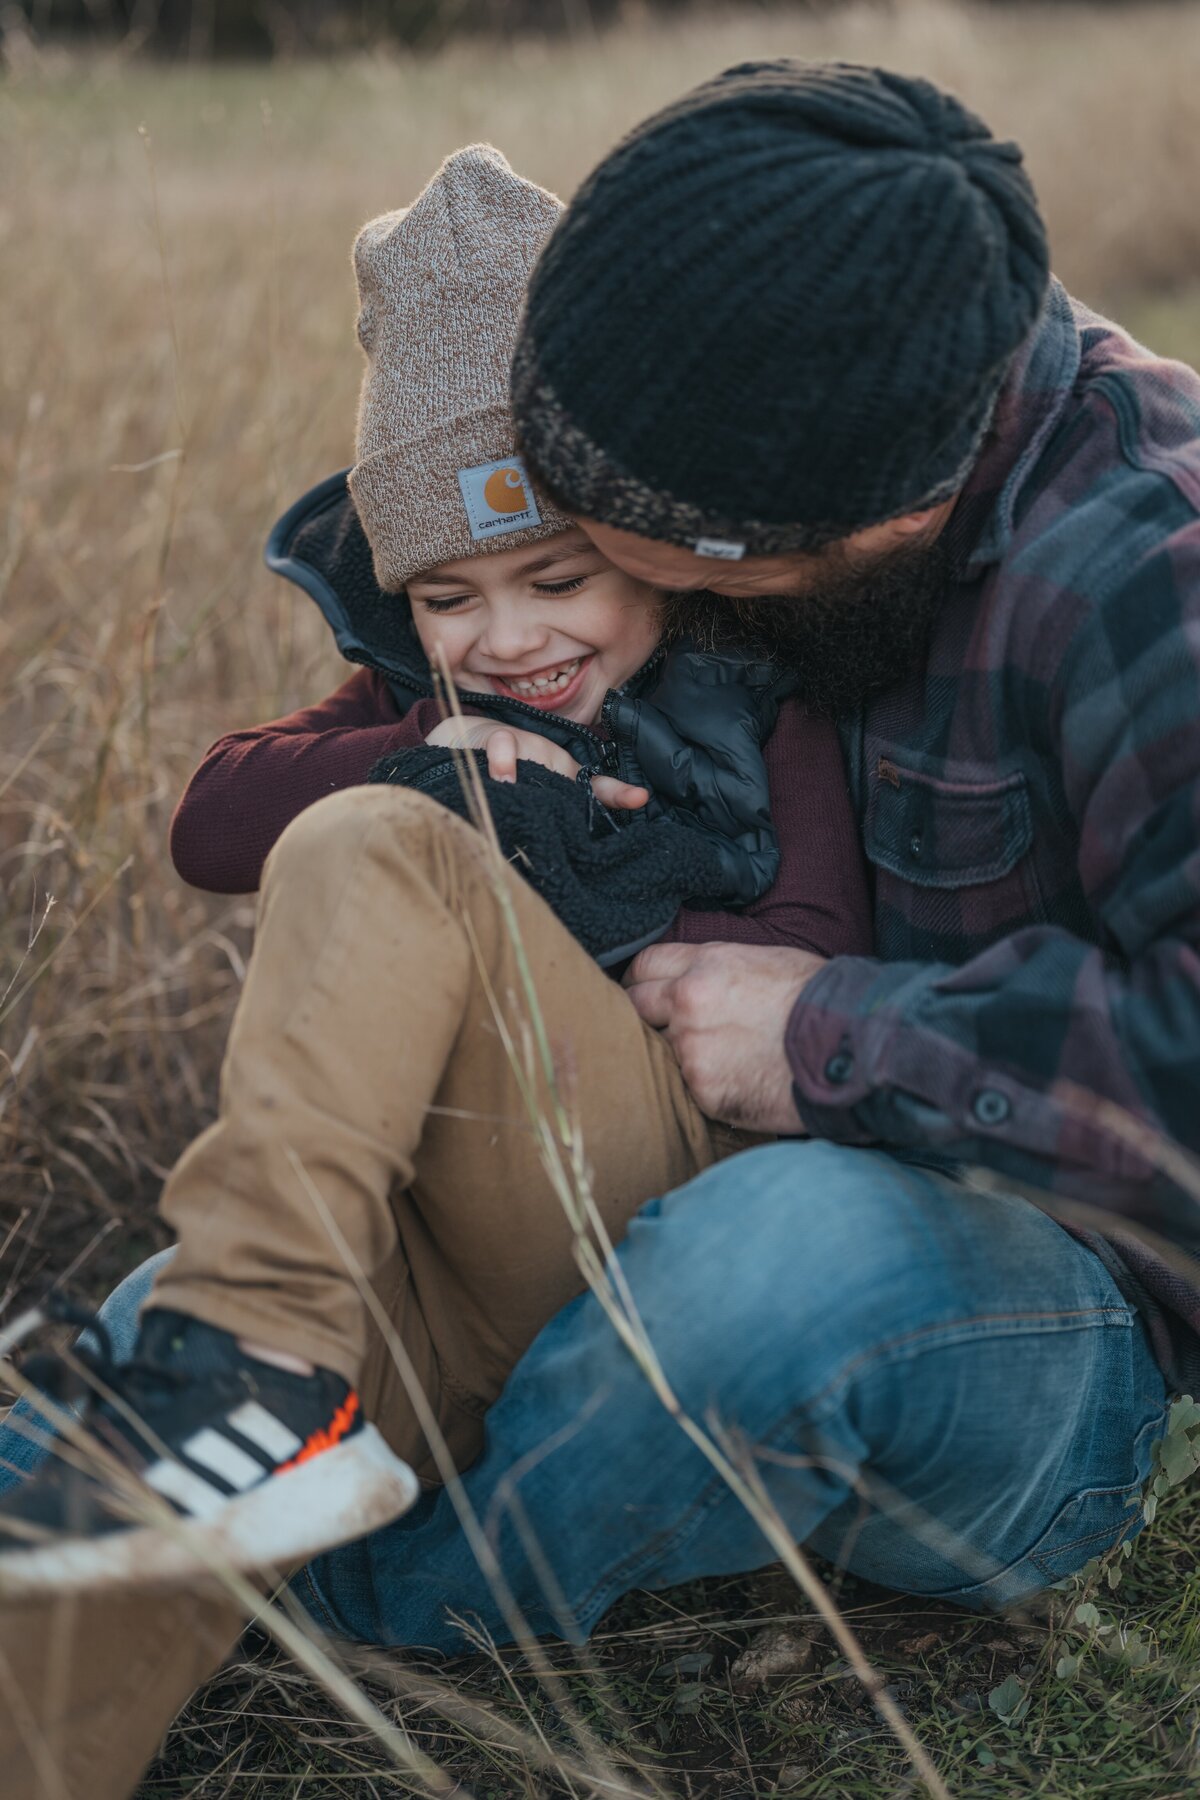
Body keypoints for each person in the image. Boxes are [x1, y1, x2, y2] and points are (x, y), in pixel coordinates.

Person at [4, 61, 1198, 1800]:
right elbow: (279, 801)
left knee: (779, 1254)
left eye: (597, 551)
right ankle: (197, 1455)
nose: (535, 617)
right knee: (174, 1332)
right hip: (581, 1162)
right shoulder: (797, 362)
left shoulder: (1145, 580)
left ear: (824, 527)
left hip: (1009, 1310)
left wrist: (828, 1030)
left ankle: (373, 1591)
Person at [0, 145, 868, 1600]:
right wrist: (435, 749)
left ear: (643, 553)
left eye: (555, 581)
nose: (509, 640)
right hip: (447, 1244)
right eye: (449, 599)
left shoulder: (760, 690)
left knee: (372, 842)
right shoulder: (438, 704)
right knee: (104, 1517)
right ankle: (231, 1421)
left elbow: (799, 955)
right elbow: (210, 822)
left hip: (668, 1207)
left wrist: (580, 869)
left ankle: (256, 1351)